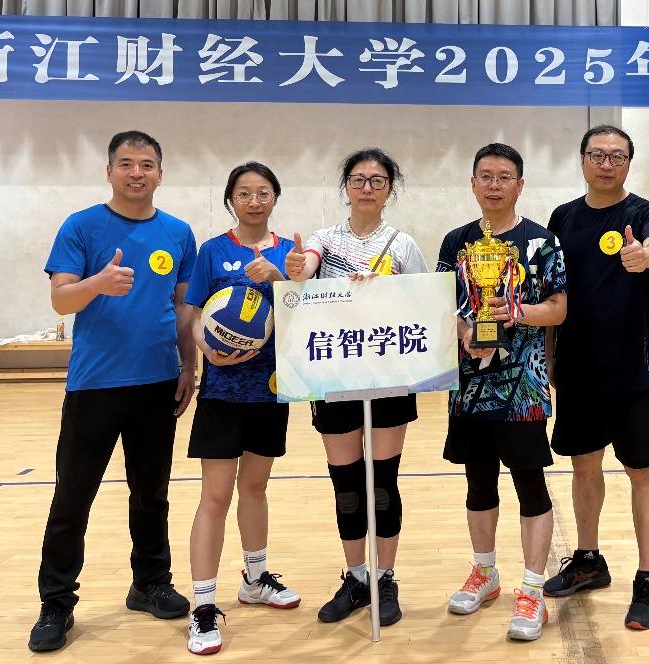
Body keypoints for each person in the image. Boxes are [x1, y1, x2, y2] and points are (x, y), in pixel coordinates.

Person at [30, 131, 198, 653]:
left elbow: (183, 308)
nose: (136, 173)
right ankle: (56, 603)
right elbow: (61, 300)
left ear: (160, 174)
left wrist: (188, 366)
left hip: (157, 383)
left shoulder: (179, 233)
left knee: (151, 495)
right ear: (109, 172)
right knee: (72, 497)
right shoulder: (81, 226)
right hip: (95, 384)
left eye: (147, 164)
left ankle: (150, 583)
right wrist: (97, 284)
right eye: (126, 163)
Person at [284, 148, 429, 627]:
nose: (367, 187)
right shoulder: (324, 239)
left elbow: (424, 304)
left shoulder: (402, 244)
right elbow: (305, 269)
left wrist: (387, 292)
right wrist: (299, 267)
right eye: (359, 179)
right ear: (345, 186)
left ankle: (385, 578)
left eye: (378, 180)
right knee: (347, 486)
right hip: (334, 376)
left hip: (389, 374)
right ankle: (356, 578)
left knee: (382, 483)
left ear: (390, 188)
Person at [437, 143, 567, 642]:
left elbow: (558, 308)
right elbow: (442, 305)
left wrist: (517, 312)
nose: (494, 184)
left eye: (504, 176)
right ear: (473, 184)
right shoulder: (456, 242)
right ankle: (485, 572)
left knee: (529, 484)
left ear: (520, 184)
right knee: (478, 482)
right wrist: (465, 331)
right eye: (486, 176)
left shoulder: (542, 242)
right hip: (468, 386)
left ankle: (532, 589)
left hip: (523, 388)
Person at [543, 125, 649, 630]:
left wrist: (646, 256)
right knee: (584, 465)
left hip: (629, 367)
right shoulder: (563, 218)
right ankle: (589, 560)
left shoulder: (644, 211)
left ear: (628, 164)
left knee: (642, 471)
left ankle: (647, 578)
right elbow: (553, 289)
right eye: (597, 154)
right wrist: (549, 357)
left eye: (617, 156)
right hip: (576, 366)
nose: (606, 163)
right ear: (582, 160)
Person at [183, 162, 301, 655]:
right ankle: (203, 605)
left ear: (275, 197)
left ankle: (254, 580)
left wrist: (281, 278)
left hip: (271, 391)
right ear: (231, 199)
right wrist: (205, 351)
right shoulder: (212, 251)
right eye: (245, 193)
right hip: (222, 393)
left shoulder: (291, 252)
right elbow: (192, 313)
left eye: (263, 192)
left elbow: (306, 315)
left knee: (255, 488)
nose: (254, 201)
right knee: (215, 496)